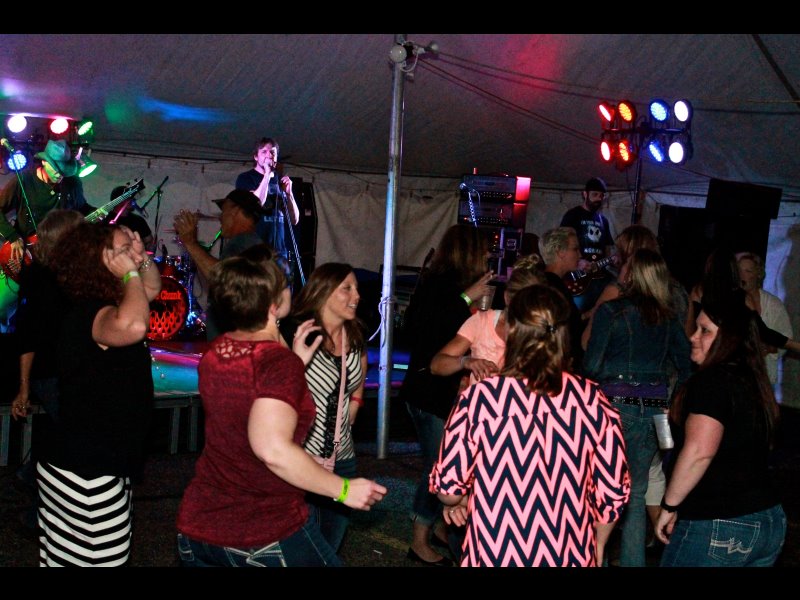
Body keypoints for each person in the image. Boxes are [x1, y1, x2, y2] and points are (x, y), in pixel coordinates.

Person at [176, 255, 386, 567]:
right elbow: (271, 449)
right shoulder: (277, 362)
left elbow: (243, 419)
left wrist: (296, 362)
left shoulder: (219, 351)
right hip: (259, 529)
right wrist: (343, 489)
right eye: (285, 285)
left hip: (199, 526)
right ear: (274, 304)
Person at [430, 284, 631, 566]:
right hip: (568, 553)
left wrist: (464, 499)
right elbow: (613, 490)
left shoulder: (481, 399)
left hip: (496, 551)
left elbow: (449, 489)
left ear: (512, 332)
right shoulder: (591, 398)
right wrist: (597, 545)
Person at [36, 221, 161, 566]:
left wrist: (141, 259)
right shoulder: (94, 312)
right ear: (100, 262)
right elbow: (135, 325)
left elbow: (151, 288)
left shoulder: (109, 302)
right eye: (121, 250)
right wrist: (130, 274)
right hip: (86, 472)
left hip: (96, 462)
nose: (128, 255)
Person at [656, 298, 786, 567]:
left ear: (729, 339)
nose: (693, 337)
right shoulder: (753, 380)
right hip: (768, 519)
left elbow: (699, 452)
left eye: (705, 331)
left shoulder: (713, 380)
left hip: (720, 522)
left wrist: (669, 505)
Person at [583, 248, 692, 567]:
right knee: (636, 493)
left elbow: (592, 366)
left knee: (601, 492)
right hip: (656, 410)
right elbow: (686, 366)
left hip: (616, 407)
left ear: (631, 274)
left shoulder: (612, 311)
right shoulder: (667, 316)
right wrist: (668, 401)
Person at [399, 224, 493, 566]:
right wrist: (467, 299)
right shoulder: (438, 284)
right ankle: (418, 541)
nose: (488, 255)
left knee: (450, 464)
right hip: (428, 392)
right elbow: (425, 332)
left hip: (441, 392)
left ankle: (439, 526)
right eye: (483, 250)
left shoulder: (452, 286)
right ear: (467, 251)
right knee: (438, 469)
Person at [280, 262, 367, 553]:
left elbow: (359, 374)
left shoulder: (354, 335)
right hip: (301, 456)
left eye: (356, 289)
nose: (356, 296)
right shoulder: (298, 333)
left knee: (330, 544)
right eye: (347, 288)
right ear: (324, 291)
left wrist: (356, 401)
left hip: (342, 457)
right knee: (301, 545)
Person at [173, 188, 266, 340]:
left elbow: (223, 279)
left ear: (236, 211)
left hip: (233, 345)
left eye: (224, 211)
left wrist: (190, 242)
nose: (220, 217)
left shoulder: (243, 242)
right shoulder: (249, 243)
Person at [0, 140, 88, 278]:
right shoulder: (24, 180)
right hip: (27, 253)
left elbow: (82, 209)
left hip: (58, 254)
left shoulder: (72, 183)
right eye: (56, 168)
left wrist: (106, 212)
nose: (60, 174)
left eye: (63, 170)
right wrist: (12, 236)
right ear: (44, 162)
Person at [235, 137, 300, 262]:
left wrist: (289, 194)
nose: (269, 155)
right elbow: (257, 203)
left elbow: (294, 219)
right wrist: (266, 175)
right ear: (256, 156)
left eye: (272, 152)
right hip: (255, 251)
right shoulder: (246, 178)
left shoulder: (280, 181)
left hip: (279, 253)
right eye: (264, 152)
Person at [559, 177, 618, 312]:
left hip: (598, 276)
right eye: (595, 194)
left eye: (601, 196)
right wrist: (577, 262)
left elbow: (606, 248)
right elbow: (562, 242)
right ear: (585, 194)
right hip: (578, 275)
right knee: (577, 311)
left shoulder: (603, 220)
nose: (598, 199)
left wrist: (612, 259)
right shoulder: (573, 215)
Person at [736, 251, 793, 387]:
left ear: (758, 275)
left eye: (748, 271)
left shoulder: (773, 305)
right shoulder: (729, 301)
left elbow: (786, 337)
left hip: (763, 377)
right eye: (739, 271)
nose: (742, 276)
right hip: (735, 374)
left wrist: (769, 348)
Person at [540, 226, 585, 371]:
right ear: (560, 252)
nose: (580, 255)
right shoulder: (553, 287)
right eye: (575, 249)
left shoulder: (547, 281)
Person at [108, 185, 154, 251]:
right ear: (118, 201)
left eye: (133, 198)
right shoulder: (106, 220)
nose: (133, 200)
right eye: (128, 198)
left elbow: (149, 241)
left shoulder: (138, 220)